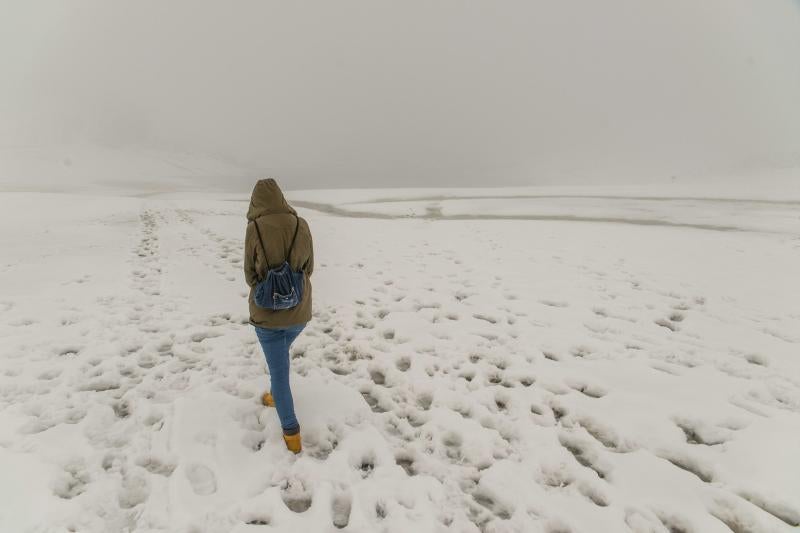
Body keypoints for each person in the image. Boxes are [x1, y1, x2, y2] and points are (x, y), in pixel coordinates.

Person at [244, 179, 314, 453]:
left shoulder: (254, 228)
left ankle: (292, 436)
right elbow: (308, 268)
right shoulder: (301, 224)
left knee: (279, 372)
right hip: (299, 313)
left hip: (267, 317)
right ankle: (276, 393)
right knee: (280, 360)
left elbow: (250, 276)